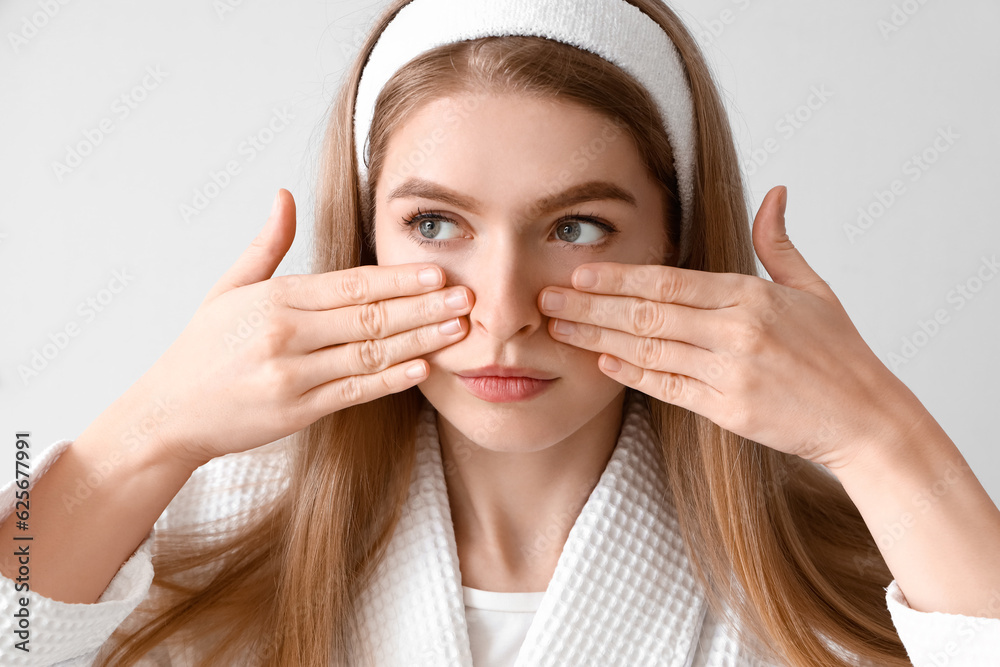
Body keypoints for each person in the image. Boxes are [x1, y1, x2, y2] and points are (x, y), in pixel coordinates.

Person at [2, 0, 1000, 665]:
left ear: (680, 246)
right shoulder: (203, 532)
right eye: (435, 224)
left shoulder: (862, 573)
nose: (505, 307)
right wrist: (150, 431)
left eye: (577, 227)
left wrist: (882, 439)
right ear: (365, 238)